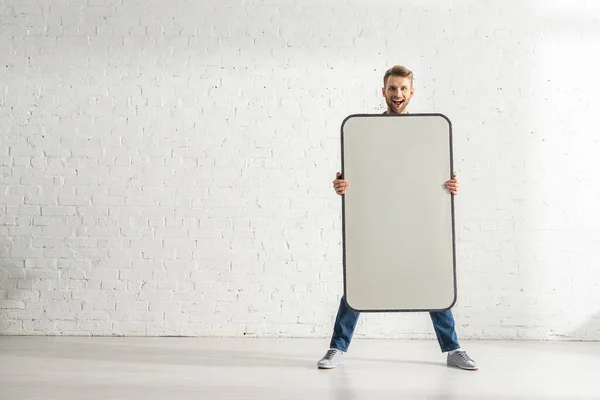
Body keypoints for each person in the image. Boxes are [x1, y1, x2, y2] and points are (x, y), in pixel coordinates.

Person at [317, 65, 478, 371]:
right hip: (379, 221)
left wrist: (449, 185)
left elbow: (428, 175)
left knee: (434, 281)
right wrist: (343, 185)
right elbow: (361, 177)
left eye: (403, 89)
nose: (398, 94)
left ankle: (453, 349)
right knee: (359, 283)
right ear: (383, 92)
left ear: (411, 93)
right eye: (392, 88)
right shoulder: (366, 134)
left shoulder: (426, 133)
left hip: (415, 221)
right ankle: (337, 347)